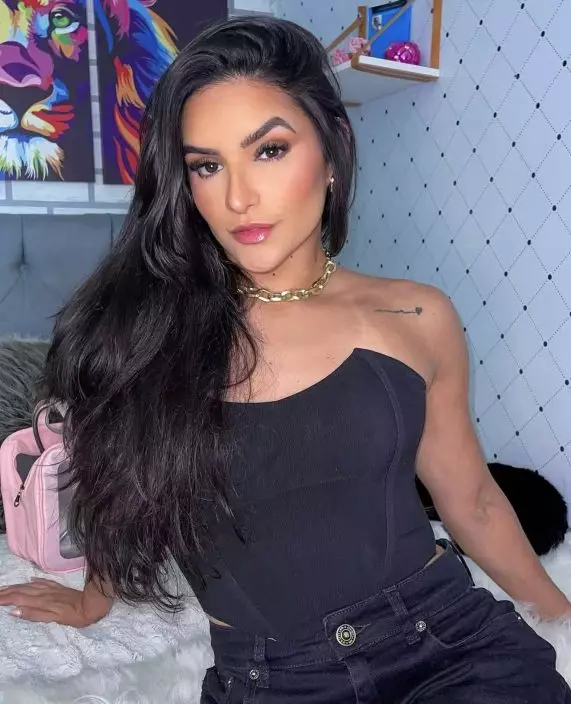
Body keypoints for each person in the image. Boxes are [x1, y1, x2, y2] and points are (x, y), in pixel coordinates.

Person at [0, 15, 570, 704]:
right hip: (271, 679)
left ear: (332, 152)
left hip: (446, 644)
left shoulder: (417, 316)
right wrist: (93, 600)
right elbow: (123, 489)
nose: (238, 197)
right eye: (207, 166)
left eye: (268, 150)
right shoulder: (145, 335)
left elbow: (471, 499)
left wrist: (562, 617)